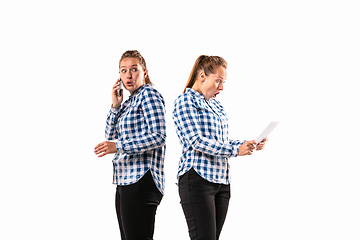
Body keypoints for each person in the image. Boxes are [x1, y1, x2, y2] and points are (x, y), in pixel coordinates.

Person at [172, 55, 268, 240]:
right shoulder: (185, 101)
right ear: (202, 76)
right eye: (218, 81)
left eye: (223, 82)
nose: (221, 87)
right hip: (197, 179)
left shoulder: (216, 106)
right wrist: (235, 151)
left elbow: (221, 141)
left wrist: (247, 144)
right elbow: (195, 141)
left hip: (221, 181)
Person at [94, 50, 166, 240]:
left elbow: (159, 136)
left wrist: (119, 146)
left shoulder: (149, 94)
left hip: (141, 178)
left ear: (145, 72)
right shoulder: (129, 103)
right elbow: (110, 137)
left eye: (134, 69)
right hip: (125, 179)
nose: (128, 75)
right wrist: (115, 106)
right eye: (123, 70)